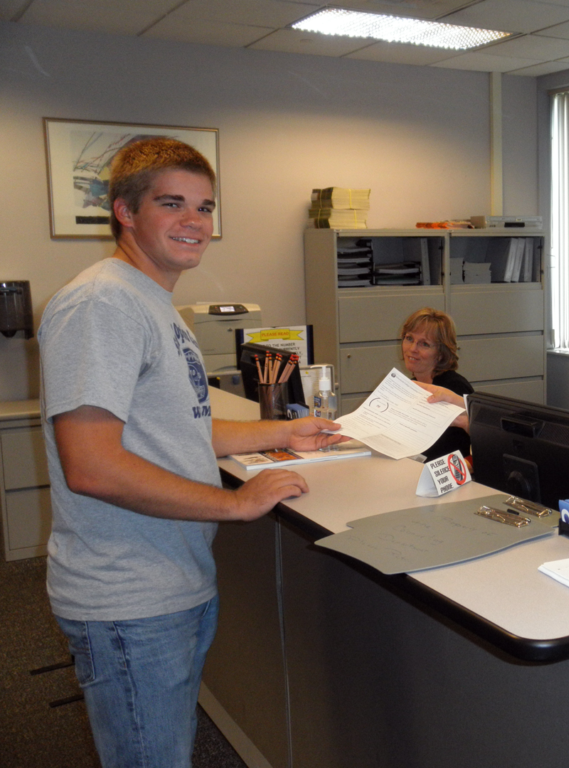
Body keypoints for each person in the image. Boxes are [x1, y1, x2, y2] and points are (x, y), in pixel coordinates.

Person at [37, 137, 343, 768]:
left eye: (204, 208)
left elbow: (179, 427)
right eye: (172, 204)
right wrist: (234, 504)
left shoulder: (154, 302)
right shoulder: (103, 304)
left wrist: (282, 434)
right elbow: (91, 465)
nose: (194, 223)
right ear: (125, 210)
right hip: (129, 597)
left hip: (172, 581)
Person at [400, 307, 473, 461]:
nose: (412, 349)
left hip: (447, 477)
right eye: (409, 338)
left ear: (440, 353)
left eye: (424, 344)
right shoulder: (409, 385)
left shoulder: (455, 388)